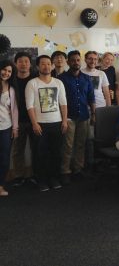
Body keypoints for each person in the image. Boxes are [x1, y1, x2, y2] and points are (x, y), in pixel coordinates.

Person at [25, 55, 68, 191]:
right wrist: (34, 123)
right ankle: (41, 180)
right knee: (40, 153)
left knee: (56, 153)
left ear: (52, 65)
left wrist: (65, 121)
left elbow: (63, 103)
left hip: (57, 123)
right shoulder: (32, 83)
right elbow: (29, 106)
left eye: (49, 64)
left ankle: (54, 178)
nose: (46, 66)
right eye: (43, 64)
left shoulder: (58, 83)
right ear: (38, 66)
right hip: (40, 124)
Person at [58, 50, 96, 185]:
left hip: (84, 116)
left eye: (78, 60)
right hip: (68, 117)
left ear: (81, 61)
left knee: (80, 145)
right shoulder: (61, 79)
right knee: (67, 146)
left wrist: (93, 114)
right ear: (68, 62)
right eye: (73, 60)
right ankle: (65, 171)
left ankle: (78, 170)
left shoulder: (87, 78)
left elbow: (91, 98)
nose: (76, 62)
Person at [11, 52, 37, 186]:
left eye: (26, 61)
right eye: (20, 61)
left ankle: (34, 174)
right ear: (16, 63)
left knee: (36, 148)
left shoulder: (35, 79)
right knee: (17, 150)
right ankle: (18, 175)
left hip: (35, 121)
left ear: (30, 64)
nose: (23, 64)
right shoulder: (11, 79)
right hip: (17, 121)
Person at [0, 61, 19, 197]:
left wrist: (15, 128)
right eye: (4, 70)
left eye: (9, 71)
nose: (6, 73)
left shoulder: (12, 89)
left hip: (6, 128)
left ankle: (0, 186)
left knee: (4, 158)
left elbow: (14, 110)